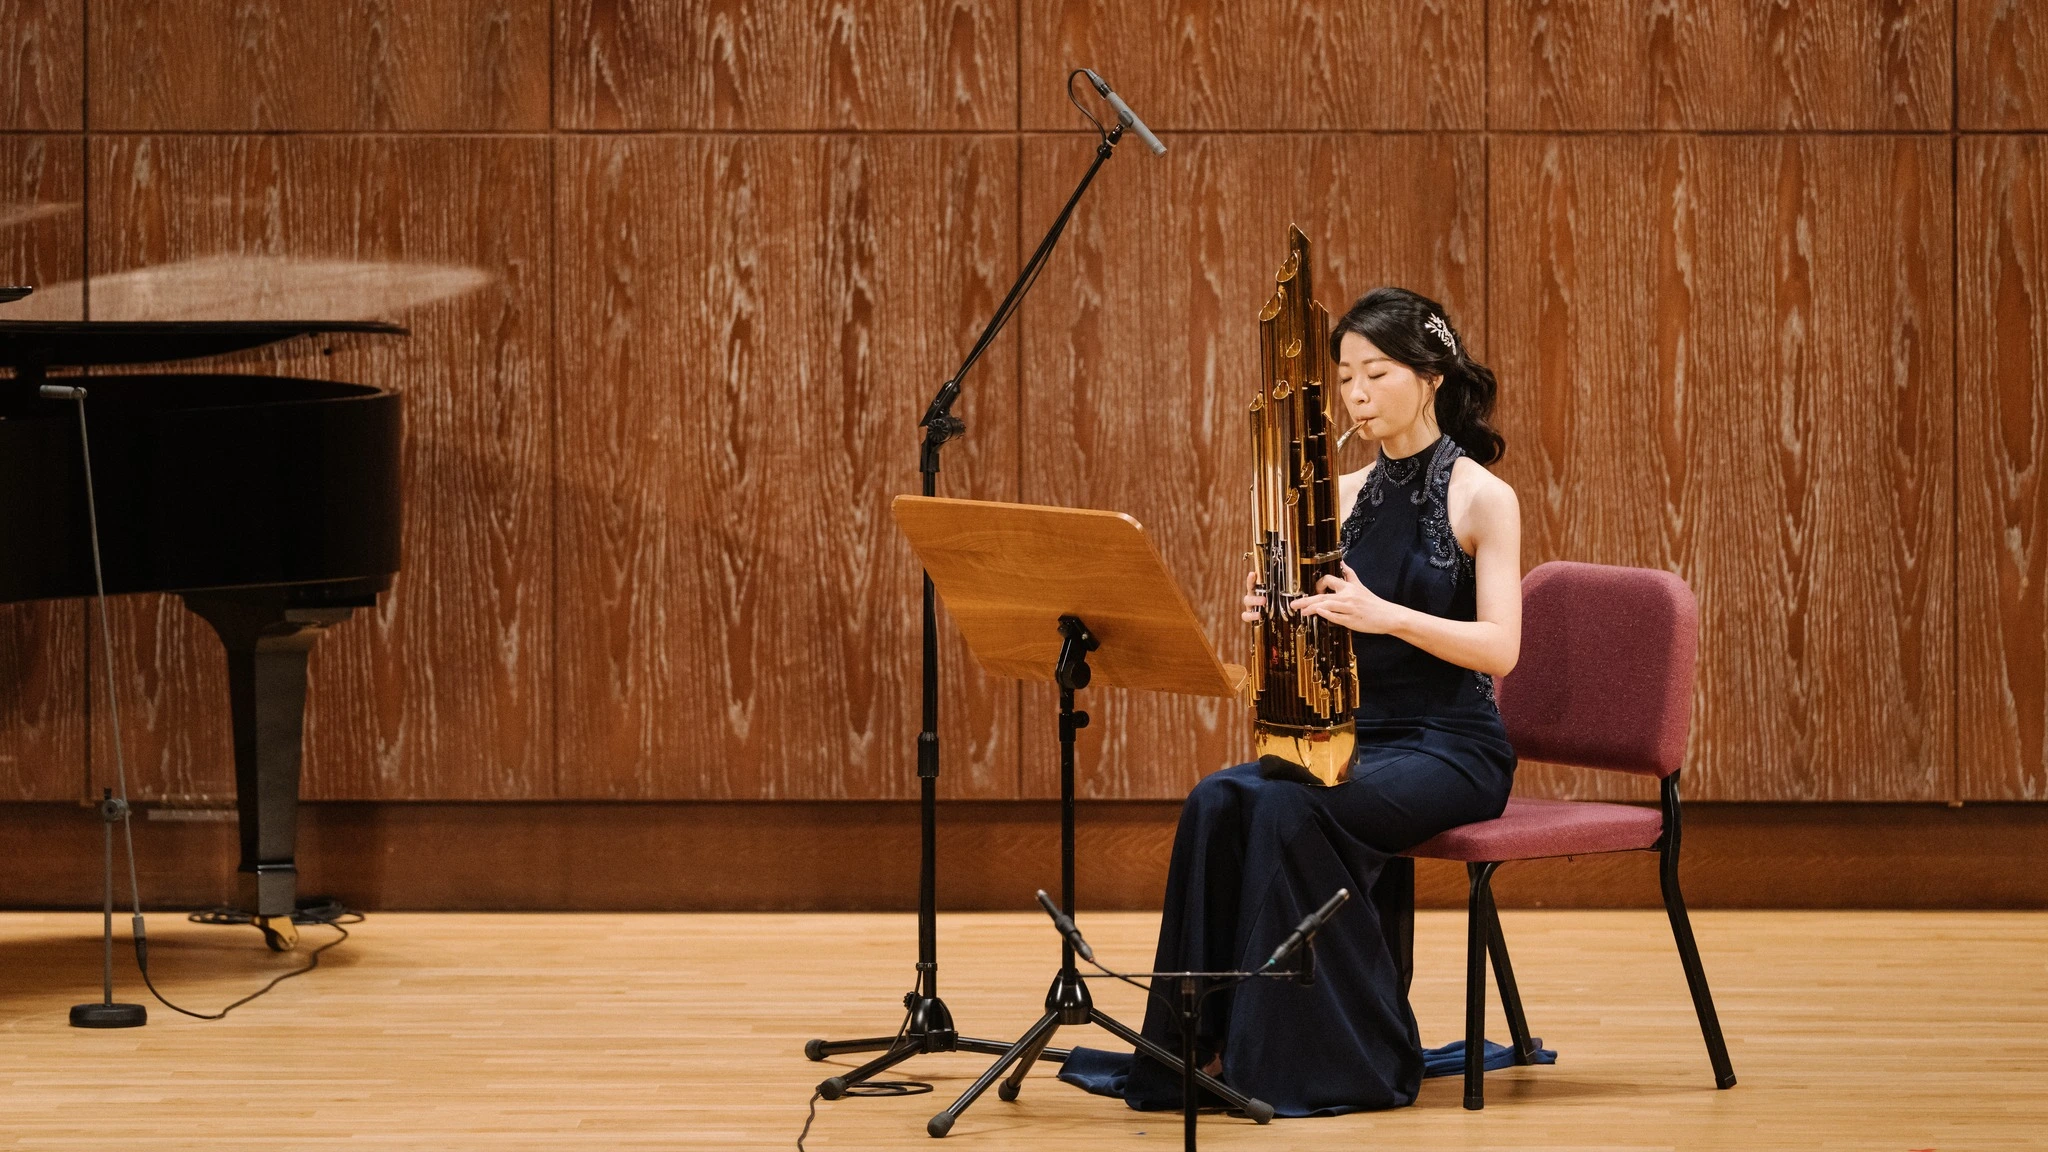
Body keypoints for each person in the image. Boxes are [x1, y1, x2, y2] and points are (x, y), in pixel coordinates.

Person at [1062, 287, 1524, 1116]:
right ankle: (1199, 1043)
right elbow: (1321, 629)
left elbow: (1501, 649)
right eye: (1344, 377)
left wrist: (1385, 615)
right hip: (1355, 732)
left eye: (1375, 374)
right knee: (1217, 798)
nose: (1355, 395)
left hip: (1451, 745)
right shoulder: (1338, 496)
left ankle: (1323, 1060)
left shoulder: (1482, 496)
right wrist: (1276, 612)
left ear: (1430, 377)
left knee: (1292, 807)